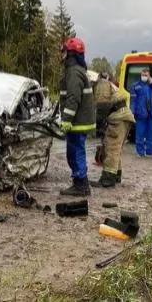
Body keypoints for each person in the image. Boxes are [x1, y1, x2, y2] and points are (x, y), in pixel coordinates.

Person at [59, 37, 96, 196]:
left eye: (64, 51)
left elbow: (73, 98)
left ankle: (80, 185)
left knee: (75, 152)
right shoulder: (78, 70)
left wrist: (66, 119)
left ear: (71, 54)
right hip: (80, 120)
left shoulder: (73, 72)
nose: (62, 55)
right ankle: (82, 182)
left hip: (77, 122)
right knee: (75, 151)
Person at [90, 71, 135, 188]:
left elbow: (102, 106)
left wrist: (99, 127)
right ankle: (116, 175)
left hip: (118, 118)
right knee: (116, 148)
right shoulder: (108, 85)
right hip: (123, 117)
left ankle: (107, 179)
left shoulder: (101, 85)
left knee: (111, 148)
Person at [130, 68, 152, 157]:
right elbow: (133, 100)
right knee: (140, 134)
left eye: (146, 75)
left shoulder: (151, 85)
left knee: (151, 134)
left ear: (149, 76)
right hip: (140, 113)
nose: (144, 76)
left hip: (151, 113)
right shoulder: (135, 86)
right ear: (140, 75)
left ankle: (150, 151)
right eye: (143, 75)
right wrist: (132, 112)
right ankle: (140, 152)